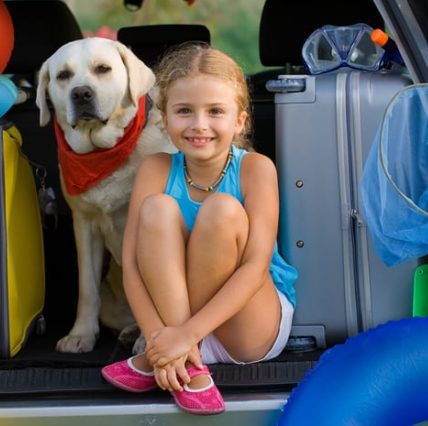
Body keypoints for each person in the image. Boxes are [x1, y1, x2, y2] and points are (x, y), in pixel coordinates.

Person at [101, 43, 298, 415]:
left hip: (246, 323)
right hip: (175, 327)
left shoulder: (256, 169)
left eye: (215, 112)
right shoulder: (156, 169)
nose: (199, 124)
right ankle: (187, 366)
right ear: (164, 117)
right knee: (156, 209)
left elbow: (256, 268)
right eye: (184, 111)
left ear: (240, 121)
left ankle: (172, 356)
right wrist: (160, 339)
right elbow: (131, 265)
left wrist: (180, 337)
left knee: (222, 209)